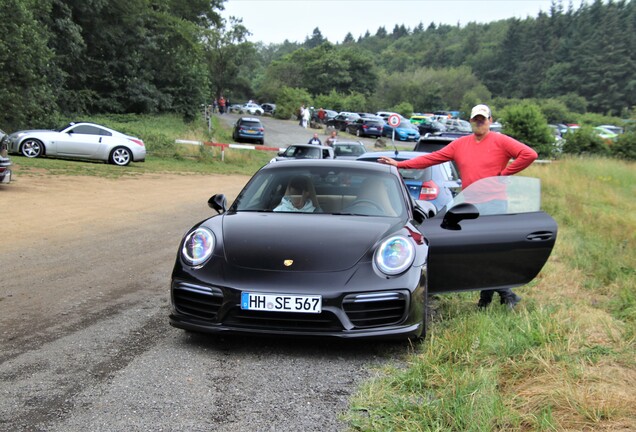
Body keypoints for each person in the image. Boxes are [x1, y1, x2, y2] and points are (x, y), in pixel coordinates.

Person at [378, 104, 538, 309]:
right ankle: (498, 296)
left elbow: (529, 154)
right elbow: (431, 158)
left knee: (489, 250)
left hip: (494, 203)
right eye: (476, 119)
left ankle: (494, 297)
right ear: (471, 121)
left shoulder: (501, 140)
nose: (479, 122)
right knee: (479, 251)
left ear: (490, 120)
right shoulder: (460, 144)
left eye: (483, 119)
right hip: (469, 204)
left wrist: (505, 174)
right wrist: (399, 164)